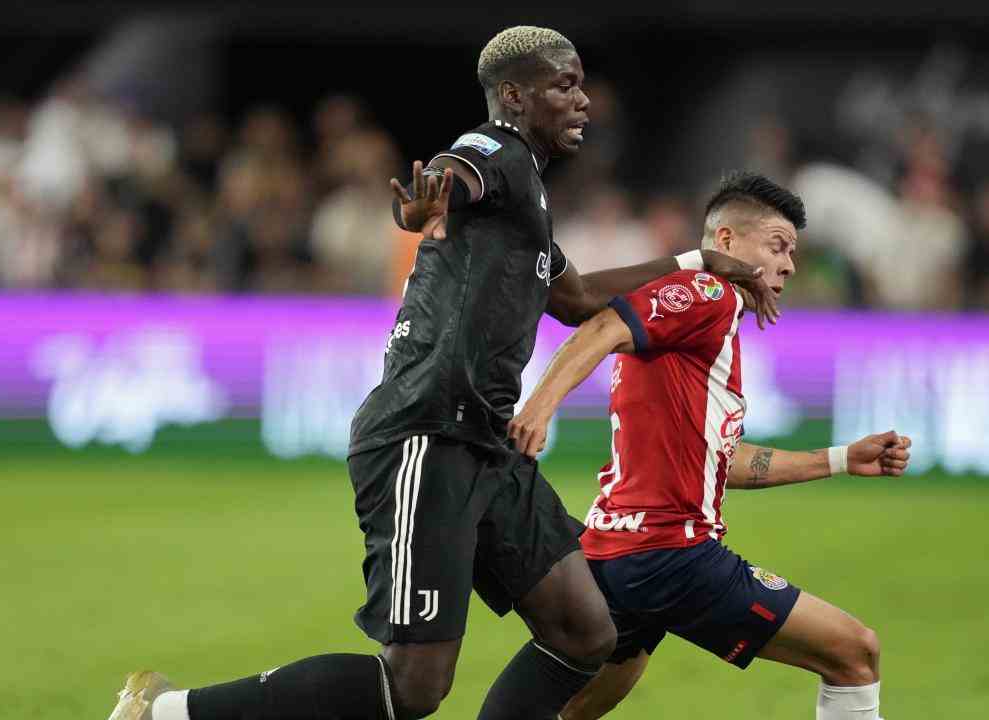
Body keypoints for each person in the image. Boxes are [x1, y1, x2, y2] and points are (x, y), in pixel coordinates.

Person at [107, 26, 779, 720]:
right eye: (565, 85)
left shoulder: (529, 206)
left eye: (582, 84)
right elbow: (459, 170)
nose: (583, 101)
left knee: (587, 629)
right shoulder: (499, 153)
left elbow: (577, 299)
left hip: (484, 444)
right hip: (424, 435)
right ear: (514, 97)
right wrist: (430, 202)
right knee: (414, 686)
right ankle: (164, 712)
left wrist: (699, 262)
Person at [508, 171, 912, 719]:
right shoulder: (710, 294)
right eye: (776, 245)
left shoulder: (702, 331)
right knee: (854, 654)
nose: (789, 264)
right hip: (671, 555)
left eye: (793, 251)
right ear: (724, 243)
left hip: (612, 552)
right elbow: (600, 328)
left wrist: (839, 458)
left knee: (575, 710)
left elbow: (725, 460)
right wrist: (539, 405)